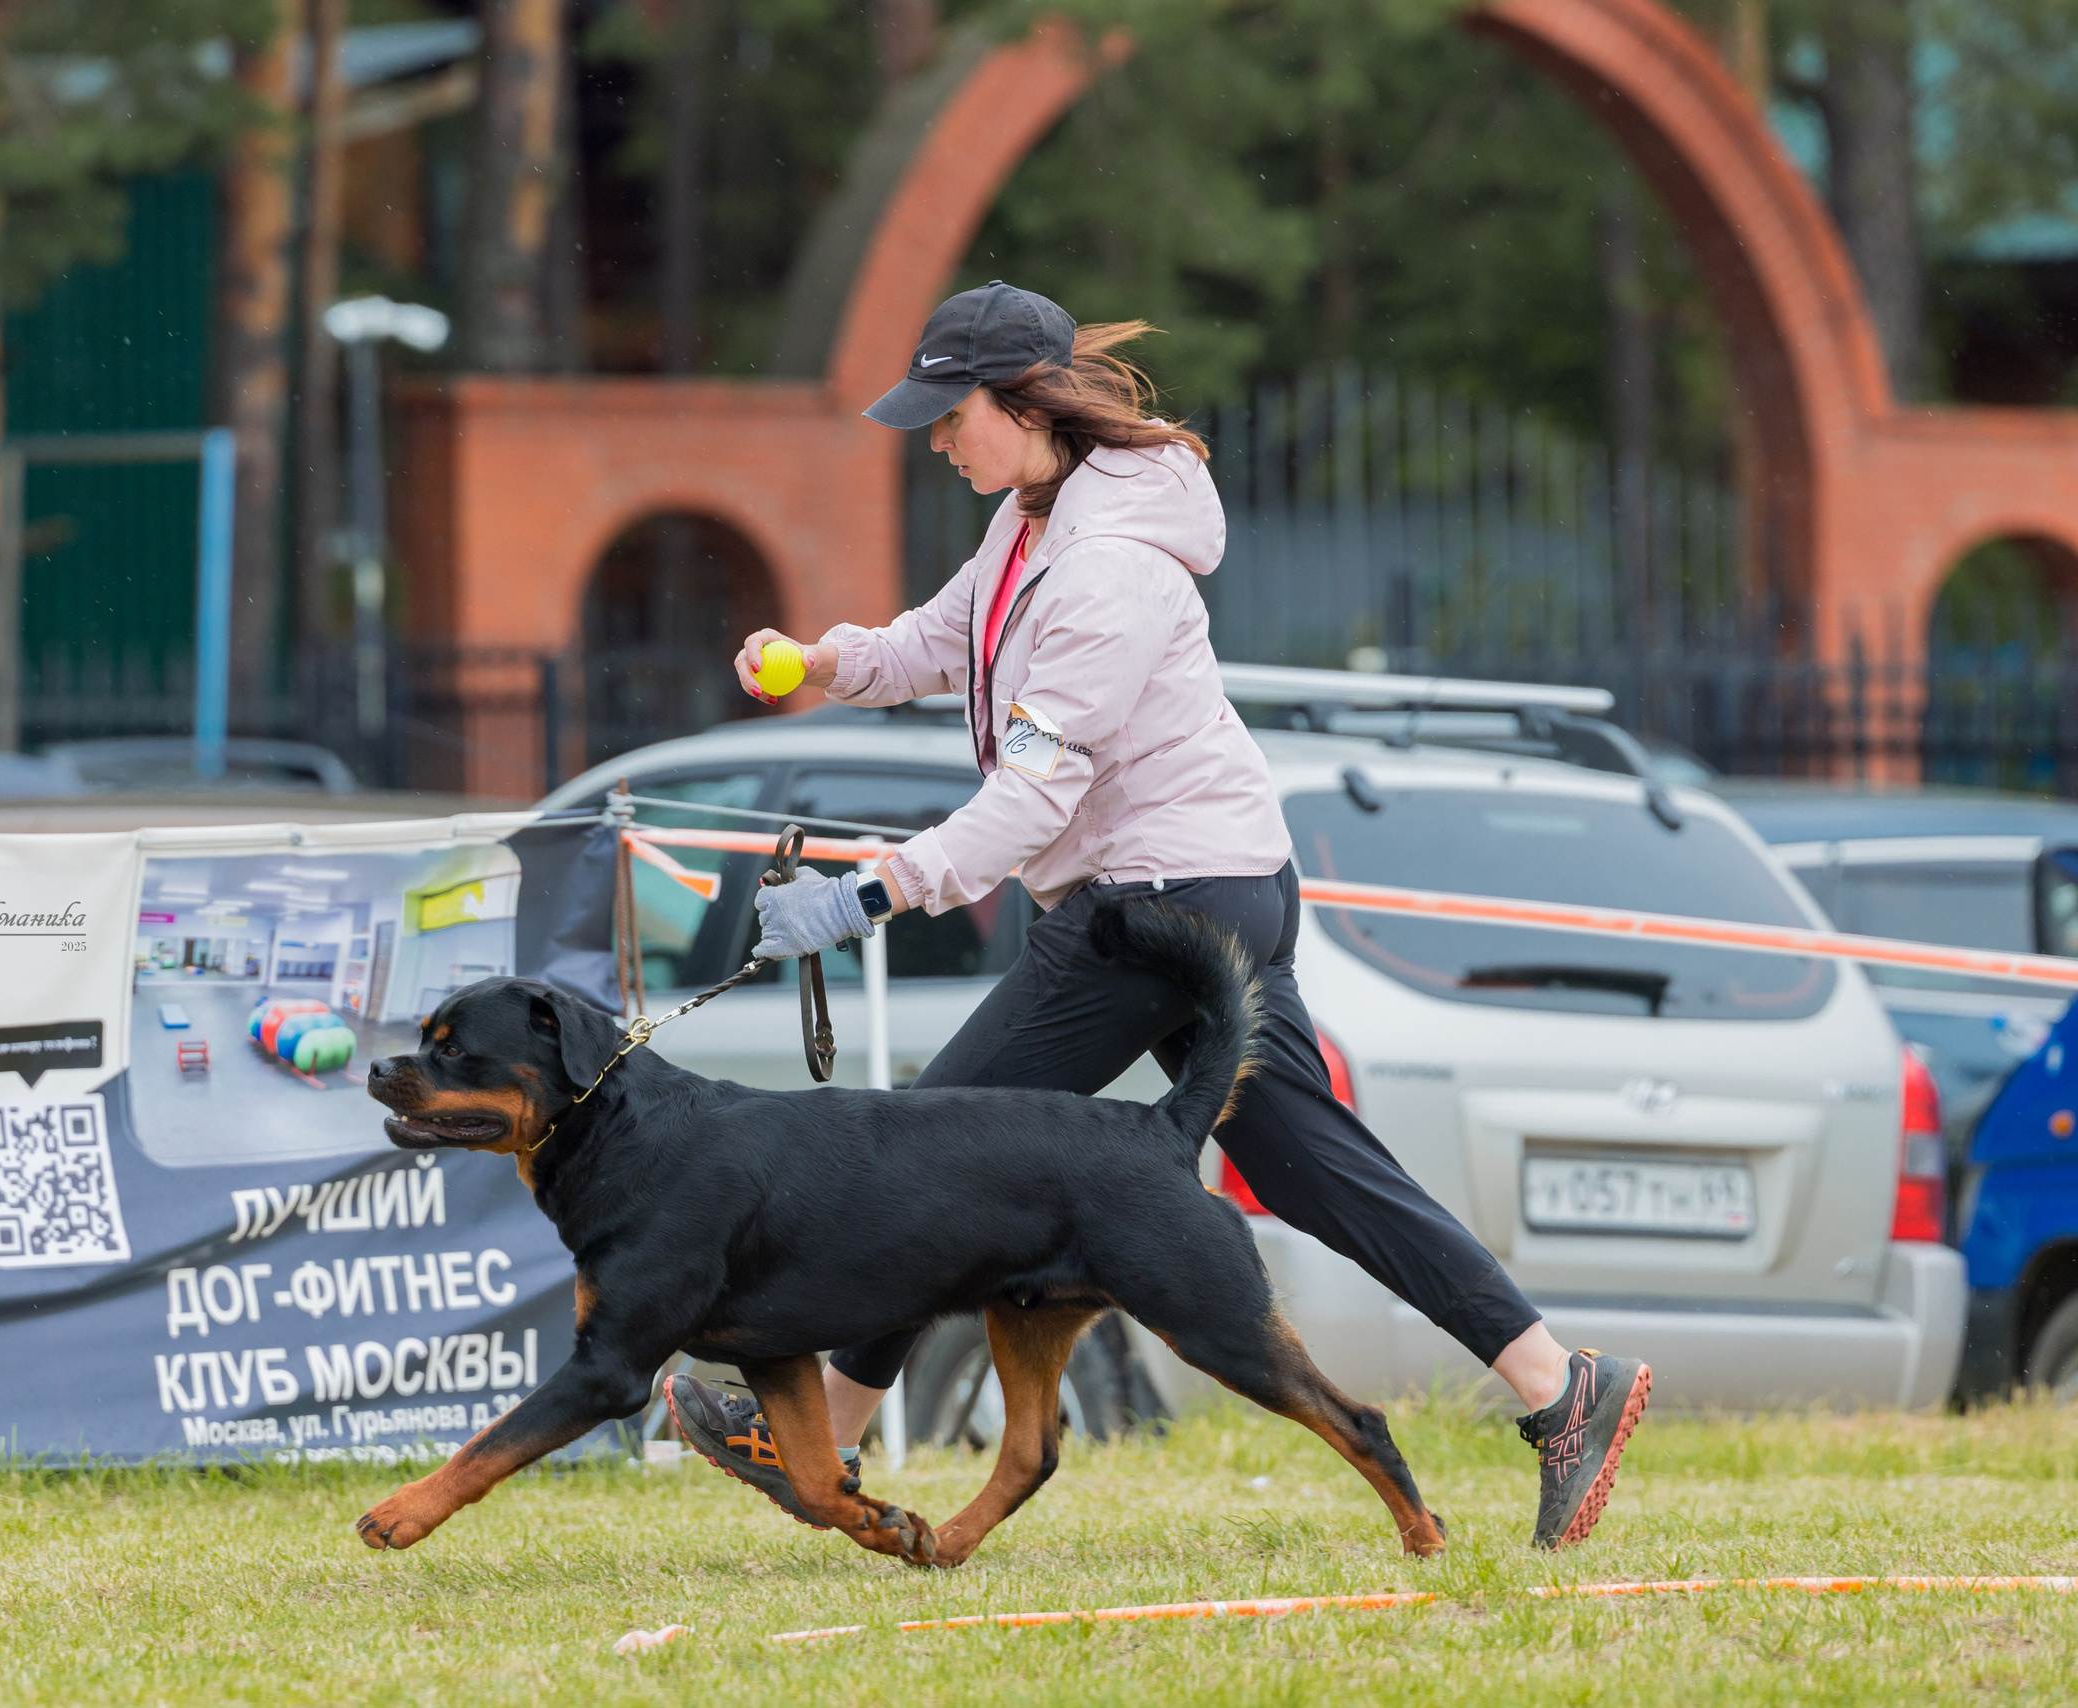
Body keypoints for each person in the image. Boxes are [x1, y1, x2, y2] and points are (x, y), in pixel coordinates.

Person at [662, 281, 1650, 1551]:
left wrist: (871, 892)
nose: (935, 439)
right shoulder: (1031, 523)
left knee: (915, 1149)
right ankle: (1560, 1389)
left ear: (1023, 404)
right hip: (1204, 886)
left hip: (1155, 904)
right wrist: (820, 660)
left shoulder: (1110, 567)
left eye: (950, 414)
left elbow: (1032, 794)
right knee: (1307, 1162)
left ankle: (821, 1427)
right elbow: (934, 645)